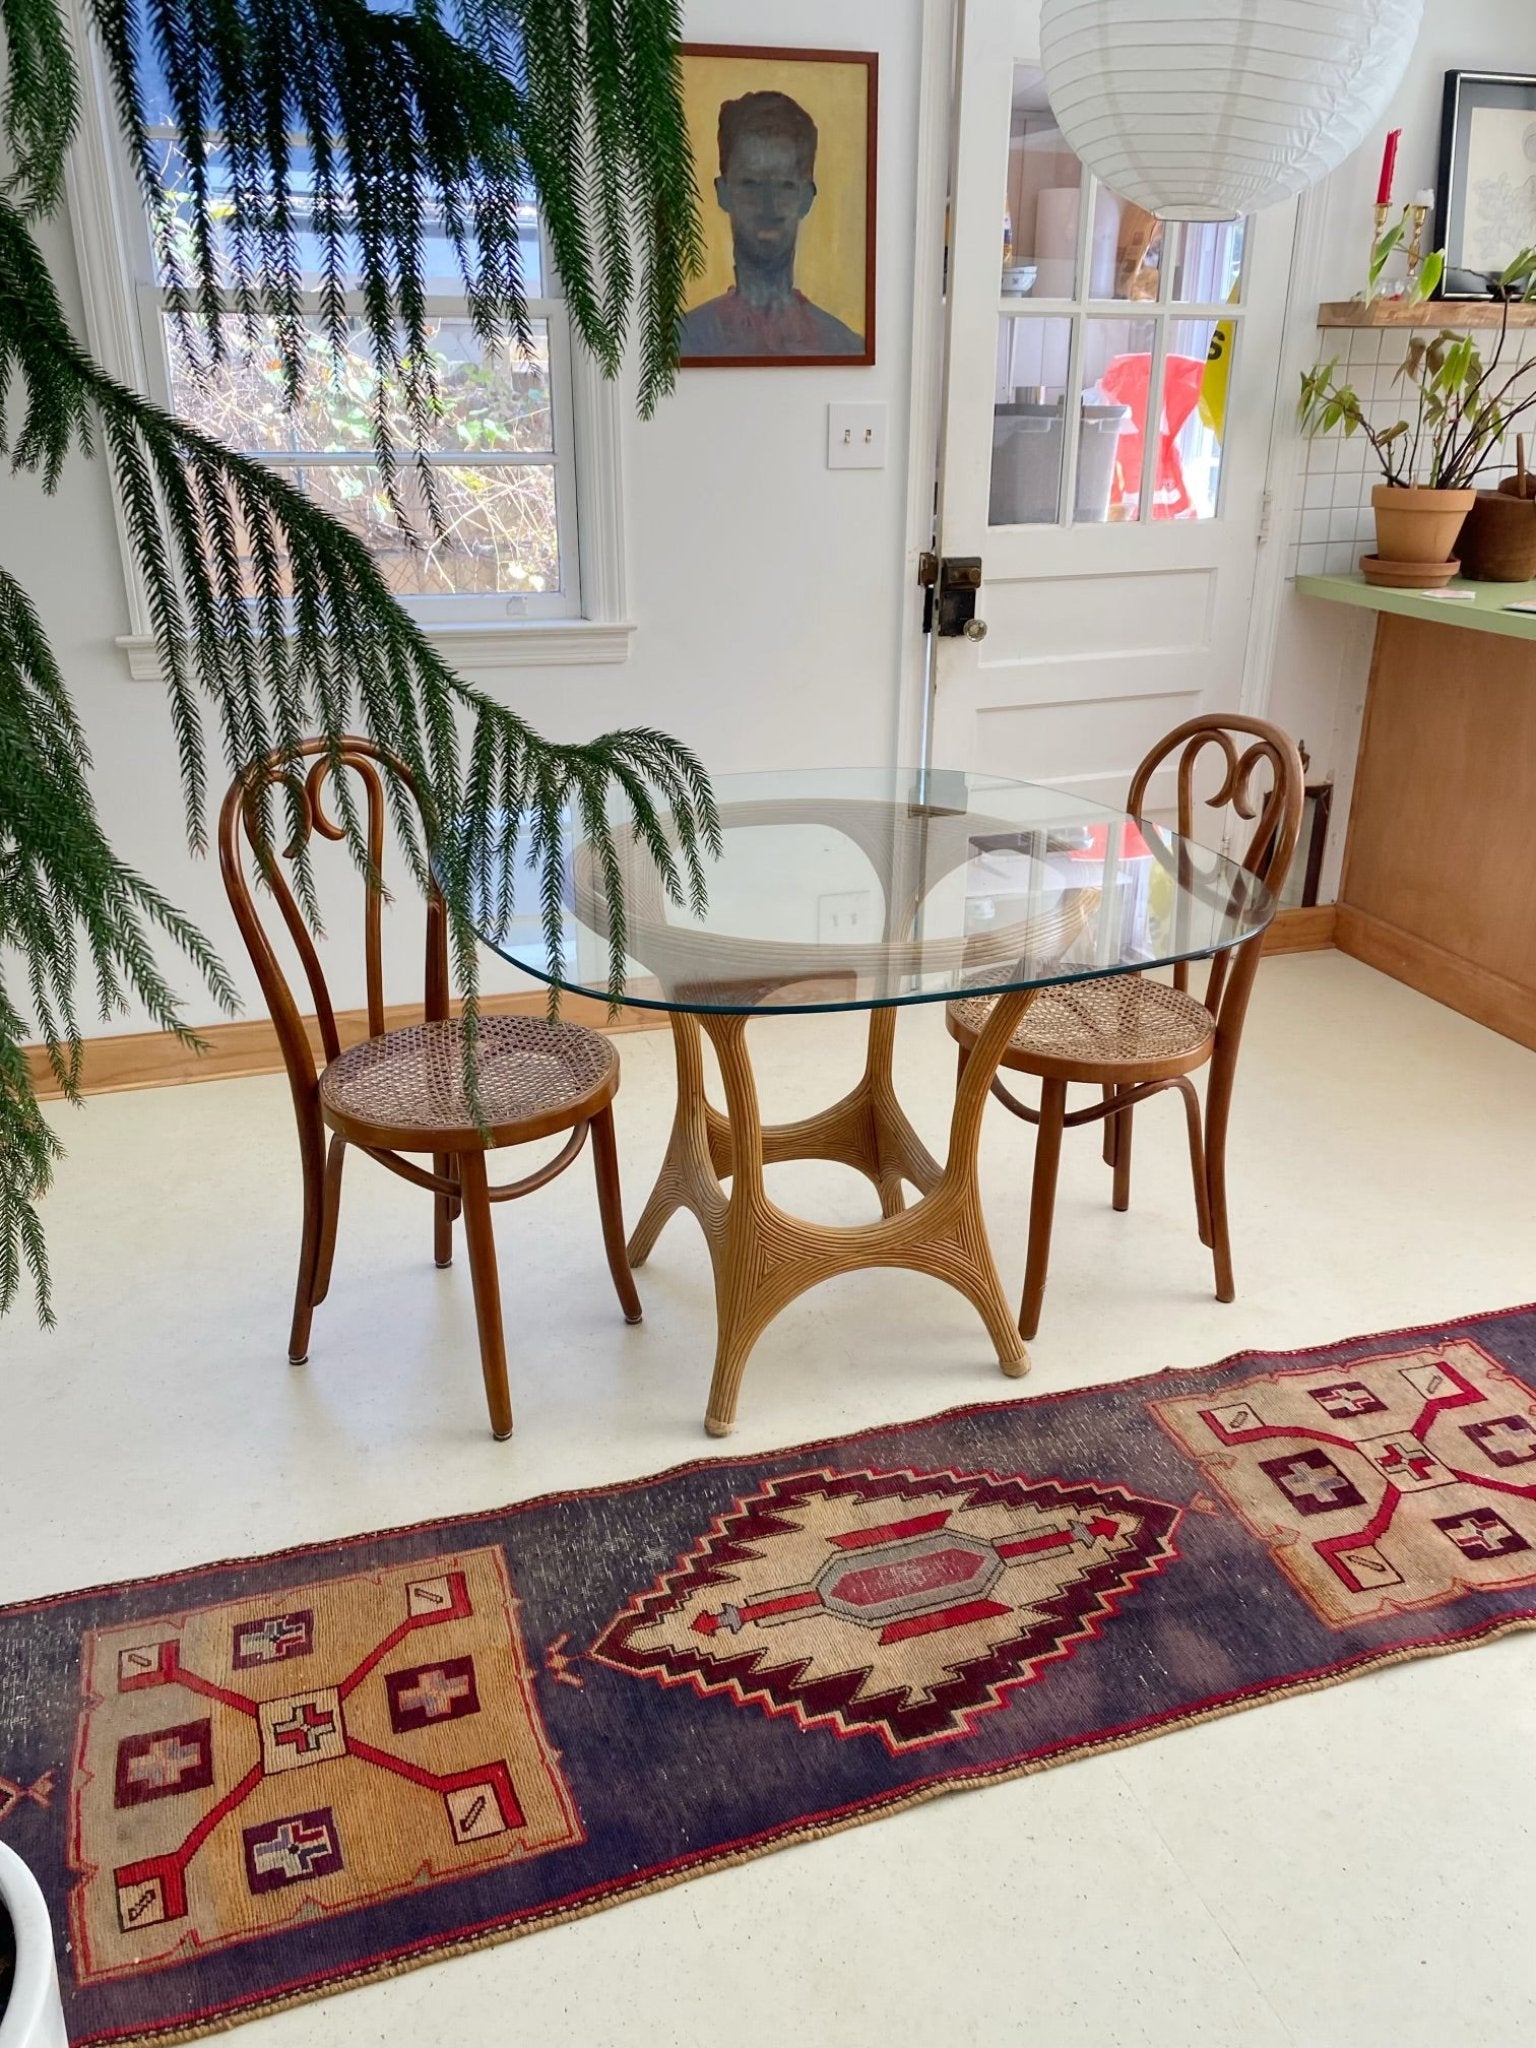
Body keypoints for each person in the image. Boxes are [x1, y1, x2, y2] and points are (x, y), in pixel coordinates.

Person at [680, 90, 865, 359]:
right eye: (751, 184)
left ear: (806, 198)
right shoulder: (683, 342)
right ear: (723, 193)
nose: (769, 207)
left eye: (785, 186)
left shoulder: (845, 346)